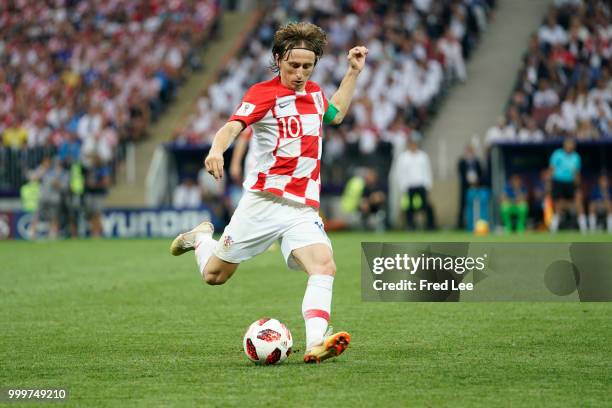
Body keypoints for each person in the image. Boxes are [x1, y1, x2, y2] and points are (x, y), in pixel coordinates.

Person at [170, 22, 368, 363]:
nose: (301, 73)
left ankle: (315, 344)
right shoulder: (262, 93)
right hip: (262, 203)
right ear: (278, 59)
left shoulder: (315, 95)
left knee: (324, 266)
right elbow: (232, 126)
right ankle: (202, 238)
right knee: (215, 276)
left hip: (301, 210)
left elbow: (334, 113)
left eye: (307, 66)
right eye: (294, 66)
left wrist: (352, 72)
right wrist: (217, 150)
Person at [395, 137, 435, 230]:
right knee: (410, 207)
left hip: (421, 184)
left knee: (426, 206)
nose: (413, 146)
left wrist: (428, 184)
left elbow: (427, 171)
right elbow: (400, 172)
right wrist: (403, 185)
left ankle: (430, 226)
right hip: (409, 185)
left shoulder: (423, 156)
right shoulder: (403, 157)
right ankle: (410, 226)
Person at [549, 138, 586, 232]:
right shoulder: (557, 154)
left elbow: (577, 173)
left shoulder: (576, 157)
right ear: (564, 145)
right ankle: (553, 228)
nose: (570, 146)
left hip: (570, 183)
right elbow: (551, 170)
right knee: (558, 205)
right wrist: (550, 184)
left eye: (572, 144)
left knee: (578, 203)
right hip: (558, 182)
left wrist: (578, 187)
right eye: (569, 144)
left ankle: (584, 228)